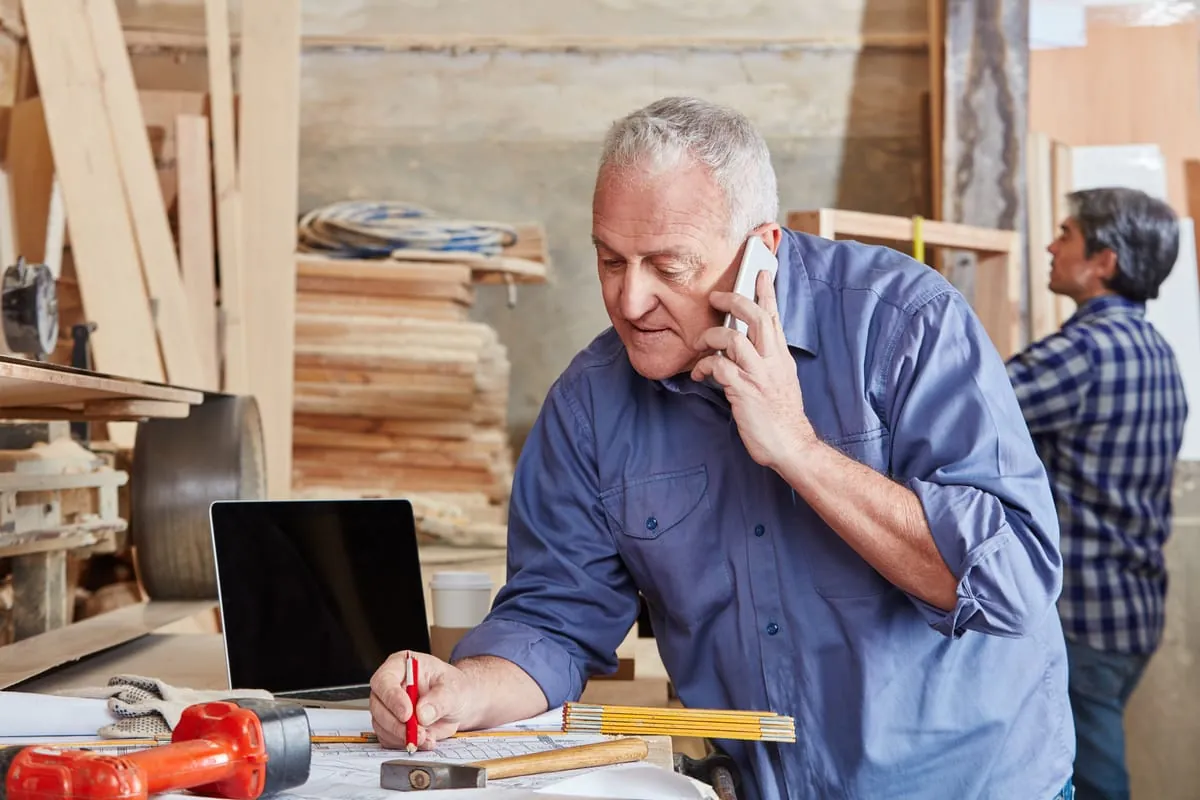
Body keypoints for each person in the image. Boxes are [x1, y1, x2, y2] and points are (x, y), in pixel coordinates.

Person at [370, 96, 1076, 799]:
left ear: (760, 251)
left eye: (667, 267)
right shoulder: (589, 406)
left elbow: (1009, 586)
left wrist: (798, 448)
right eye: (611, 260)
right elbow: (552, 620)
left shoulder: (904, 325)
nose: (630, 300)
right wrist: (462, 691)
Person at [1005, 187, 1187, 800]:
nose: (1051, 247)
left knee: (1090, 778)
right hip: (1134, 609)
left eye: (1065, 234)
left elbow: (967, 409)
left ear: (1103, 261)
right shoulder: (1159, 351)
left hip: (1081, 618)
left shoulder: (1082, 353)